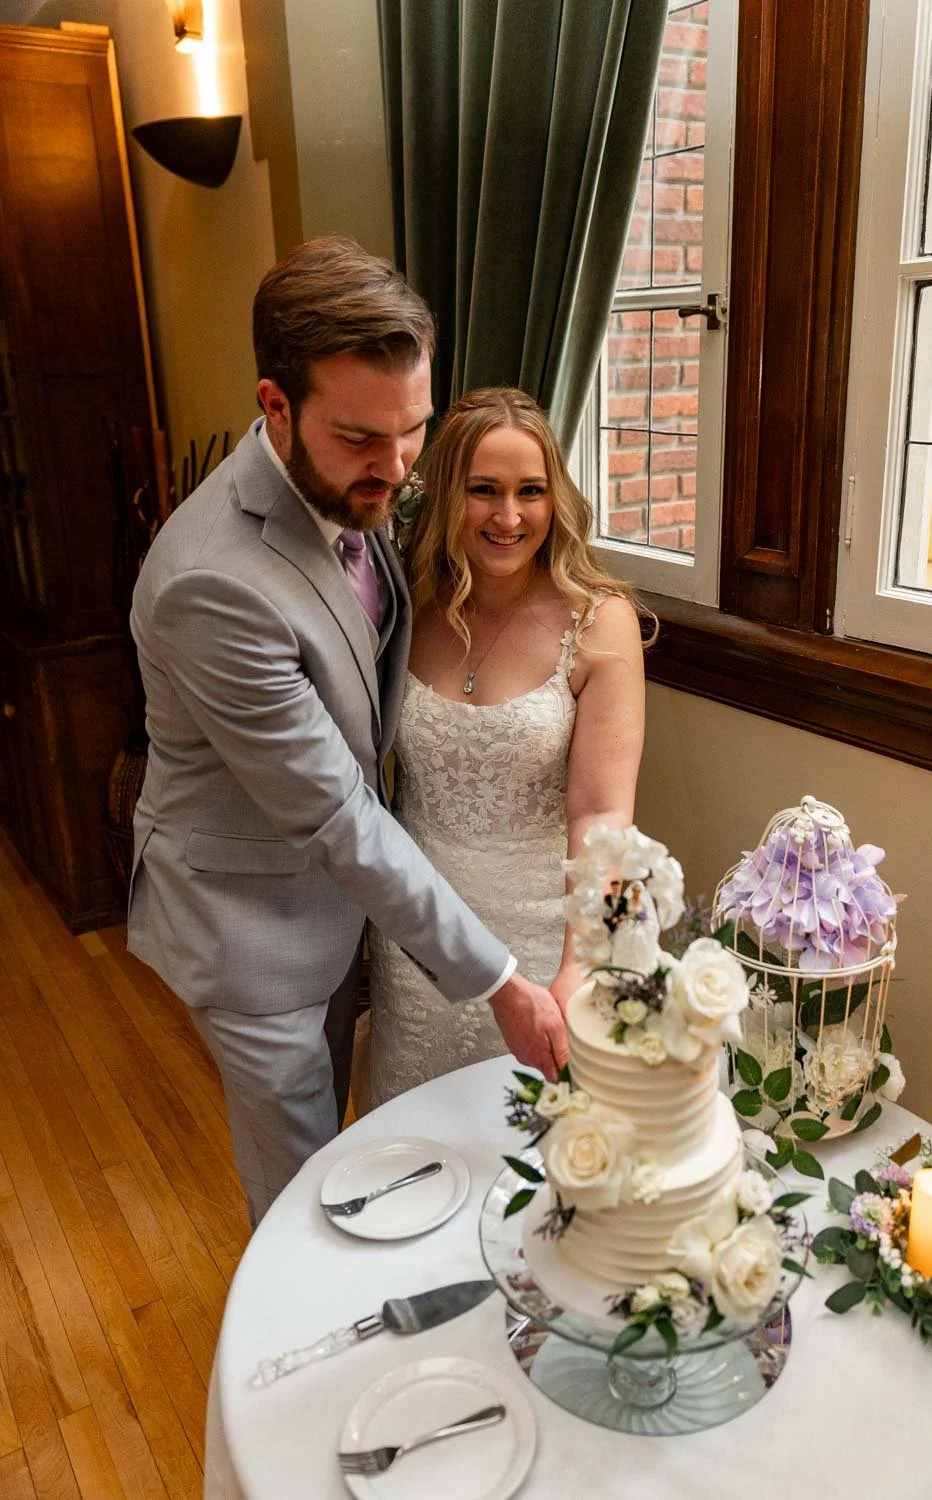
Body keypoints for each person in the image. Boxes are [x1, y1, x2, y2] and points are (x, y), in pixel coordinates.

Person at [127, 238, 566, 1226]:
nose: (398, 466)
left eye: (411, 430)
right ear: (275, 405)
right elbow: (333, 811)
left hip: (339, 905)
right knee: (302, 1214)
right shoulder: (215, 583)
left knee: (348, 1173)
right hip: (252, 932)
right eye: (364, 437)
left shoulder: (349, 480)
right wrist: (498, 979)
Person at [367, 387, 648, 1105]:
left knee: (545, 1154)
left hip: (552, 933)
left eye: (532, 491)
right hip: (421, 937)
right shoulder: (404, 601)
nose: (509, 516)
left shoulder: (598, 620)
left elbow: (603, 815)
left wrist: (585, 962)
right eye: (483, 491)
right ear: (444, 496)